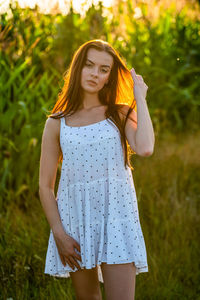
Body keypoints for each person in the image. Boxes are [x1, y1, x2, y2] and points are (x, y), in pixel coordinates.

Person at [39, 39, 155, 300]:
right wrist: (59, 233)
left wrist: (140, 98)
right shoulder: (57, 123)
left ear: (109, 77)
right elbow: (45, 187)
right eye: (89, 65)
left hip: (117, 219)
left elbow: (145, 148)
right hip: (75, 224)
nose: (95, 73)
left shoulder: (119, 113)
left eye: (104, 69)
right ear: (78, 67)